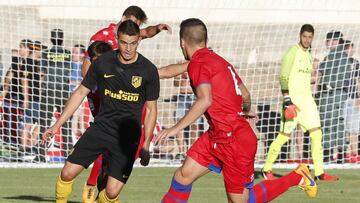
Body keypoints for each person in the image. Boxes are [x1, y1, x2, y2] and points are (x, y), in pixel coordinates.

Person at [155, 18, 317, 203]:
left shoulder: (199, 64)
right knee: (183, 176)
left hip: (234, 141)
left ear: (182, 43)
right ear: (205, 41)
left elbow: (205, 100)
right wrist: (244, 111)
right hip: (217, 136)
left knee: (241, 201)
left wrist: (175, 128)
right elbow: (245, 94)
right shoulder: (217, 60)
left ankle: (298, 176)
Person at [42, 20, 160, 203]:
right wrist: (57, 125)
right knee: (67, 173)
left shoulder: (148, 70)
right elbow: (81, 92)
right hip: (101, 128)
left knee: (111, 193)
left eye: (133, 43)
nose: (128, 48)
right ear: (117, 40)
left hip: (128, 137)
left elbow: (152, 109)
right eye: (123, 42)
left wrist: (146, 144)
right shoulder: (103, 63)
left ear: (139, 41)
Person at [81, 6, 186, 202]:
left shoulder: (131, 41)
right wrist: (96, 90)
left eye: (138, 30)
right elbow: (88, 65)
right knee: (107, 146)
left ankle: (102, 193)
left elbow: (145, 33)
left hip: (125, 99)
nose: (136, 36)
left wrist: (158, 28)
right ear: (124, 19)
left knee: (117, 151)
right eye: (134, 26)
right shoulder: (102, 37)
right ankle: (91, 186)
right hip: (107, 101)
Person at [261, 24, 338, 181]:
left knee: (317, 134)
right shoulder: (292, 52)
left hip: (308, 102)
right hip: (293, 102)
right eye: (304, 36)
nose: (307, 40)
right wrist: (287, 99)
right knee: (284, 136)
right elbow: (283, 76)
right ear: (300, 35)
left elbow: (303, 79)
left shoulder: (309, 55)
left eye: (310, 37)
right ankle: (266, 168)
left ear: (313, 37)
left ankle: (319, 172)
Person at [37, 28, 72, 162]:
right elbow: (68, 70)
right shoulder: (67, 53)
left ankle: (41, 154)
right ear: (62, 39)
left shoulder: (46, 54)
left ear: (51, 39)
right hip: (63, 91)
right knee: (66, 122)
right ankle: (68, 153)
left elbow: (42, 71)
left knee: (44, 123)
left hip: (49, 91)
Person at [317, 32, 352, 164]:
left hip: (331, 94)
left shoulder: (332, 56)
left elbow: (322, 72)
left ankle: (328, 154)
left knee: (328, 123)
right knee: (339, 124)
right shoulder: (343, 56)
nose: (327, 43)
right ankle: (341, 155)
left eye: (330, 41)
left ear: (336, 41)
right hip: (340, 94)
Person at [1, 40, 31, 144]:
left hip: (23, 98)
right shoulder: (17, 63)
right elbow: (7, 80)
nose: (19, 49)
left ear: (27, 49)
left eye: (21, 47)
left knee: (21, 123)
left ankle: (15, 143)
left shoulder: (29, 63)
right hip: (14, 96)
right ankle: (9, 142)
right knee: (12, 121)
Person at [20, 40, 44, 157]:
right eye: (42, 50)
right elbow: (24, 80)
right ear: (37, 50)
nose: (43, 53)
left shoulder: (36, 63)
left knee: (30, 123)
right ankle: (27, 148)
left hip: (36, 98)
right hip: (33, 99)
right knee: (38, 123)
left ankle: (26, 150)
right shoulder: (28, 62)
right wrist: (26, 98)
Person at [342, 40, 360, 163]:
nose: (352, 51)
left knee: (354, 128)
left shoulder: (355, 63)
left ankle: (354, 153)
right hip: (341, 98)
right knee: (342, 128)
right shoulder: (337, 63)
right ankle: (343, 153)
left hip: (353, 98)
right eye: (349, 48)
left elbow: (358, 80)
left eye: (352, 48)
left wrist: (359, 97)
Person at [70, 44, 86, 144]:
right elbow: (68, 80)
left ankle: (81, 135)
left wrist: (77, 82)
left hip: (81, 92)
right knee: (76, 114)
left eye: (76, 53)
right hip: (73, 93)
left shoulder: (83, 65)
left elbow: (85, 80)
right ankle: (74, 137)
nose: (73, 55)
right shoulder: (70, 64)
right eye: (73, 52)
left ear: (82, 55)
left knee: (80, 114)